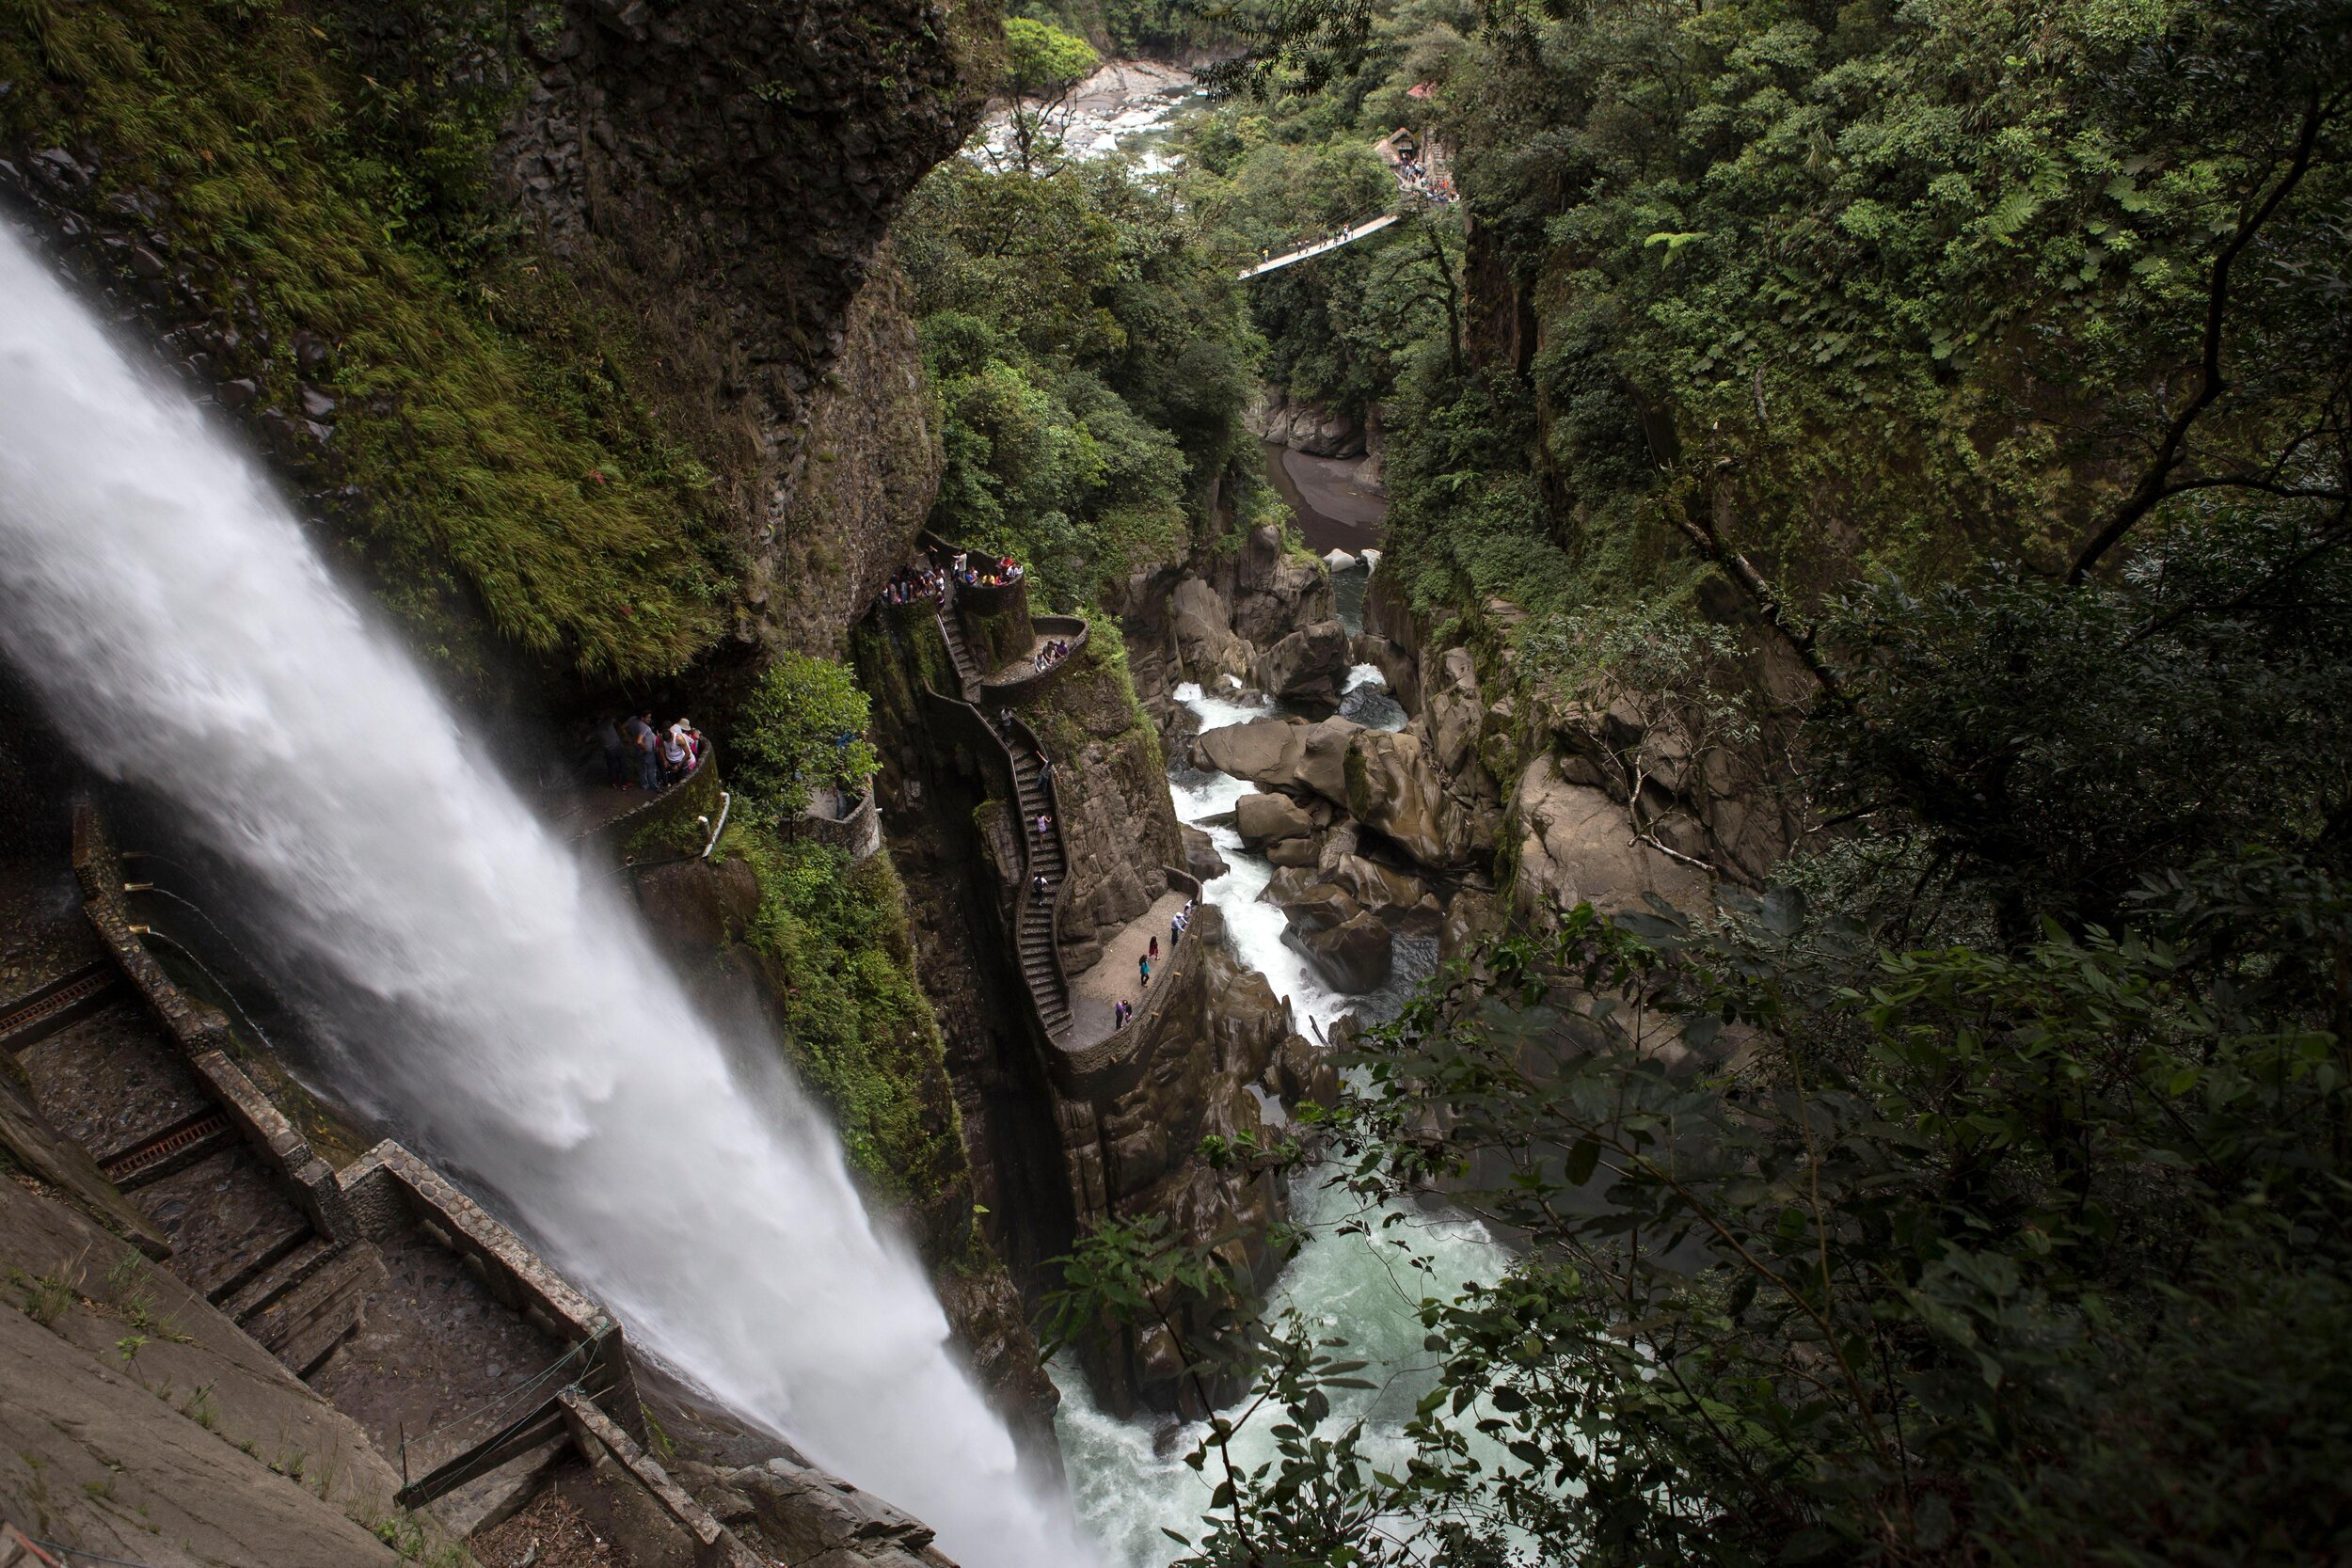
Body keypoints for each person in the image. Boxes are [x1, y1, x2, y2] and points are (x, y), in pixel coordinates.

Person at [597, 718, 627, 788]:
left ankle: (614, 783)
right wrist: (621, 729)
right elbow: (615, 720)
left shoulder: (595, 729)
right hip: (618, 747)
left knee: (612, 766)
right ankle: (624, 783)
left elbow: (587, 739)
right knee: (622, 764)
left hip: (609, 751)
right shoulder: (608, 721)